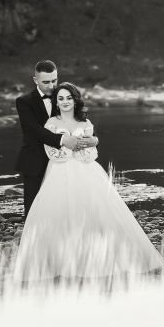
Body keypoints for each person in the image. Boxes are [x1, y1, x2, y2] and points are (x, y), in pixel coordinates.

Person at [14, 81, 164, 281]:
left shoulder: (85, 123)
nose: (65, 102)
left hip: (86, 170)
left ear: (75, 101)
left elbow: (91, 153)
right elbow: (51, 151)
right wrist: (70, 145)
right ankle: (56, 262)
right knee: (58, 212)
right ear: (56, 102)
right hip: (59, 170)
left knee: (95, 210)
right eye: (61, 98)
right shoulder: (51, 123)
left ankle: (102, 257)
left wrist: (86, 143)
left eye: (69, 98)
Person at [15, 59, 98, 216]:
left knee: (67, 206)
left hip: (65, 163)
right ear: (35, 80)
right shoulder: (24, 102)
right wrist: (63, 140)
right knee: (33, 209)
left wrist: (94, 139)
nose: (51, 86)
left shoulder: (63, 96)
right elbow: (34, 130)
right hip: (35, 160)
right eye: (46, 82)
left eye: (54, 80)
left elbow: (80, 123)